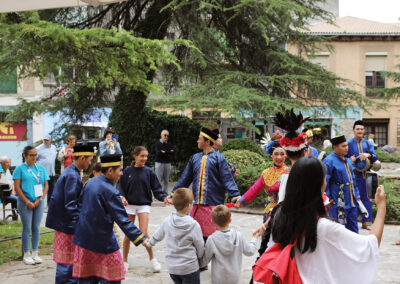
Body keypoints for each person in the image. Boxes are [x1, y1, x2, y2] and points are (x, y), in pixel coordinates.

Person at [265, 156, 384, 283]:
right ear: (320, 184)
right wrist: (381, 206)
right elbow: (370, 245)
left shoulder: (279, 216)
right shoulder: (324, 228)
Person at [72, 154, 148, 283]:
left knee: (87, 280)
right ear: (110, 171)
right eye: (120, 170)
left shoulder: (90, 182)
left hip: (84, 242)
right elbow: (123, 220)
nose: (122, 174)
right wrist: (141, 238)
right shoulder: (110, 191)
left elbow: (79, 206)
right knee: (113, 279)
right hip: (103, 244)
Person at [166, 127, 241, 247]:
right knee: (196, 235)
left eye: (199, 139)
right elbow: (185, 178)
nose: (197, 141)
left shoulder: (219, 159)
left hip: (213, 204)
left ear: (207, 142)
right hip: (196, 206)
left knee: (212, 237)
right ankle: (201, 263)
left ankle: (210, 260)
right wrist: (173, 194)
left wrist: (235, 196)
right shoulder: (194, 158)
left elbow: (227, 179)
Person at [46, 145, 94, 284]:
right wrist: (79, 226)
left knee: (66, 261)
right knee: (67, 263)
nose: (90, 163)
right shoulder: (73, 175)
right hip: (67, 226)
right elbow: (70, 205)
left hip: (64, 224)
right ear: (83, 158)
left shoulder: (71, 171)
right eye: (89, 159)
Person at [119, 146, 167, 272]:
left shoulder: (149, 172)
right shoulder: (127, 171)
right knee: (128, 235)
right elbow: (121, 189)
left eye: (146, 156)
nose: (145, 158)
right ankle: (124, 261)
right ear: (135, 156)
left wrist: (164, 198)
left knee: (144, 233)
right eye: (142, 156)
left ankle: (152, 259)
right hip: (129, 205)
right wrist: (122, 197)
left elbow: (157, 190)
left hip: (144, 205)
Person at [147, 188, 204, 284]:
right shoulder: (194, 225)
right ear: (189, 206)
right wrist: (201, 259)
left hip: (172, 268)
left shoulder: (167, 221)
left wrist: (149, 243)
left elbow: (157, 235)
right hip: (189, 268)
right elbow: (200, 245)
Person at [201, 205, 257, 284]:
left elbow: (205, 261)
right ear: (230, 220)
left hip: (218, 279)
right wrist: (254, 238)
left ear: (212, 221)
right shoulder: (238, 236)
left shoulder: (211, 239)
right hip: (234, 278)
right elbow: (250, 251)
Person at [13, 146, 49, 265]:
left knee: (36, 228)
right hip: (25, 202)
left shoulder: (41, 168)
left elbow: (46, 185)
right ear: (25, 156)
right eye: (31, 155)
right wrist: (27, 201)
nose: (34, 157)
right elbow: (17, 188)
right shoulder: (19, 169)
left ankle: (35, 253)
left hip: (39, 202)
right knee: (27, 228)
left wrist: (41, 199)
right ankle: (26, 254)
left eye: (35, 155)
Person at [235, 140, 286, 221]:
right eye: (276, 154)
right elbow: (254, 189)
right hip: (270, 211)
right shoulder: (266, 173)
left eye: (282, 154)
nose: (279, 157)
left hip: (286, 211)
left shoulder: (290, 172)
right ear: (271, 155)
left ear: (286, 155)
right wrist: (241, 201)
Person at [323, 135, 361, 233]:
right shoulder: (328, 161)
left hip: (351, 201)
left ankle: (354, 248)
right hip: (337, 202)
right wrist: (329, 198)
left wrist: (356, 193)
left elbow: (353, 179)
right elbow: (324, 181)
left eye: (347, 145)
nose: (347, 148)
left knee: (353, 230)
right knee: (339, 230)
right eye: (343, 146)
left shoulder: (348, 160)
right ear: (335, 147)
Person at [348, 120, 378, 230]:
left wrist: (368, 154)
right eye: (357, 129)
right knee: (355, 198)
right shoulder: (349, 143)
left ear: (364, 130)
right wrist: (349, 159)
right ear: (353, 130)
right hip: (353, 175)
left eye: (361, 129)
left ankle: (367, 222)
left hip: (366, 175)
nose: (360, 131)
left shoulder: (367, 143)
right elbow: (343, 156)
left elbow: (375, 157)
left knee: (367, 198)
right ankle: (353, 221)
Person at [36, 135, 57, 206]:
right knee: (40, 189)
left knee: (51, 189)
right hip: (42, 173)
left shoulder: (54, 147)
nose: (46, 141)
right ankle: (38, 203)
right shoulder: (38, 148)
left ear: (50, 140)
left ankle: (50, 205)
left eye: (47, 140)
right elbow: (34, 160)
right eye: (44, 140)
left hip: (51, 172)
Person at [155, 129, 174, 194]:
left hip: (167, 163)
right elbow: (158, 153)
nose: (166, 137)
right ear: (161, 135)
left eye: (167, 136)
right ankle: (158, 192)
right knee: (158, 179)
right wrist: (168, 152)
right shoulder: (157, 143)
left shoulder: (169, 144)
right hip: (159, 163)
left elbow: (173, 153)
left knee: (166, 179)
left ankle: (165, 192)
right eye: (165, 135)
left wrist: (164, 152)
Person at [0, 156, 18, 220]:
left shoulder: (7, 170)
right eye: (7, 162)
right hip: (3, 194)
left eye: (9, 162)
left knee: (23, 195)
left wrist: (13, 190)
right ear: (1, 163)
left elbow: (12, 182)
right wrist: (5, 183)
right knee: (16, 199)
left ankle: (15, 214)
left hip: (10, 192)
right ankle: (20, 213)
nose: (9, 164)